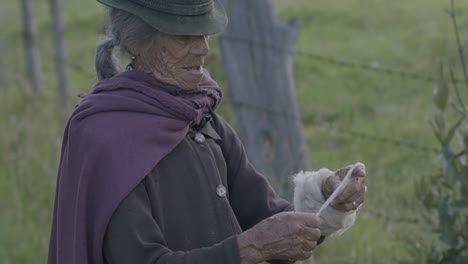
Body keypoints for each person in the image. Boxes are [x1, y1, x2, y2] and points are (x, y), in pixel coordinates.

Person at [47, 0, 367, 263]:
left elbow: (265, 216)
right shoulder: (107, 139)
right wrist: (251, 248)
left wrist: (327, 199)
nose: (202, 49)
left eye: (204, 34)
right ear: (135, 42)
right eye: (183, 37)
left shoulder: (201, 118)